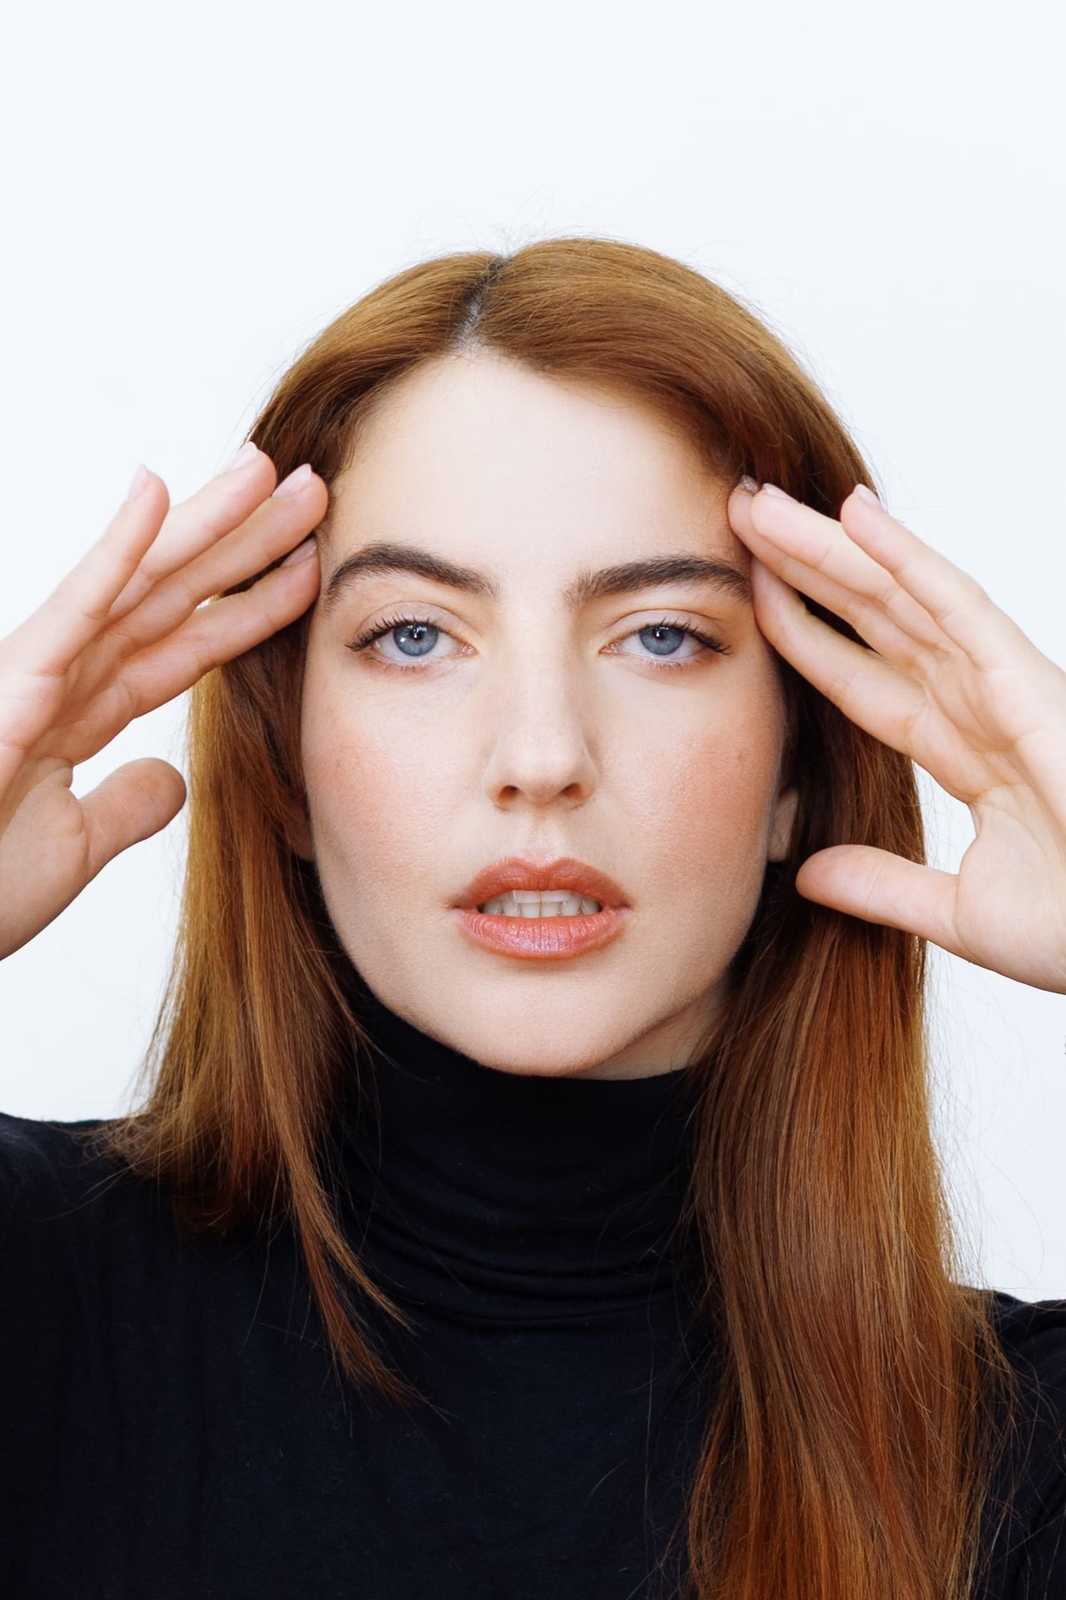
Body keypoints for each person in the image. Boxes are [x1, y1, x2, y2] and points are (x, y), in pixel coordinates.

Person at [2, 237, 1065, 1600]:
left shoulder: (1018, 1456)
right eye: (414, 635)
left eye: (663, 635)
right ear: (286, 767)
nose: (543, 754)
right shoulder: (32, 1299)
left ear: (800, 764)